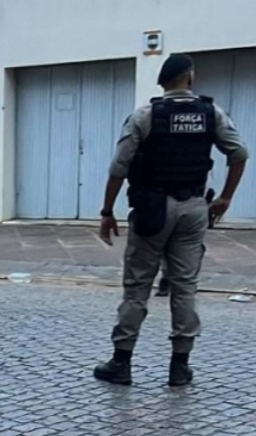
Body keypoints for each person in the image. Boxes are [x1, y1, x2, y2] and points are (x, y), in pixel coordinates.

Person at [94, 53, 249, 386]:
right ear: (190, 78)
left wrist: (107, 212)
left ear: (163, 83)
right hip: (194, 208)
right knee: (184, 287)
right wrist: (225, 197)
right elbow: (239, 154)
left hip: (152, 210)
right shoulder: (211, 113)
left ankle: (121, 363)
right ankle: (180, 367)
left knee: (137, 287)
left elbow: (118, 169)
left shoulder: (145, 116)